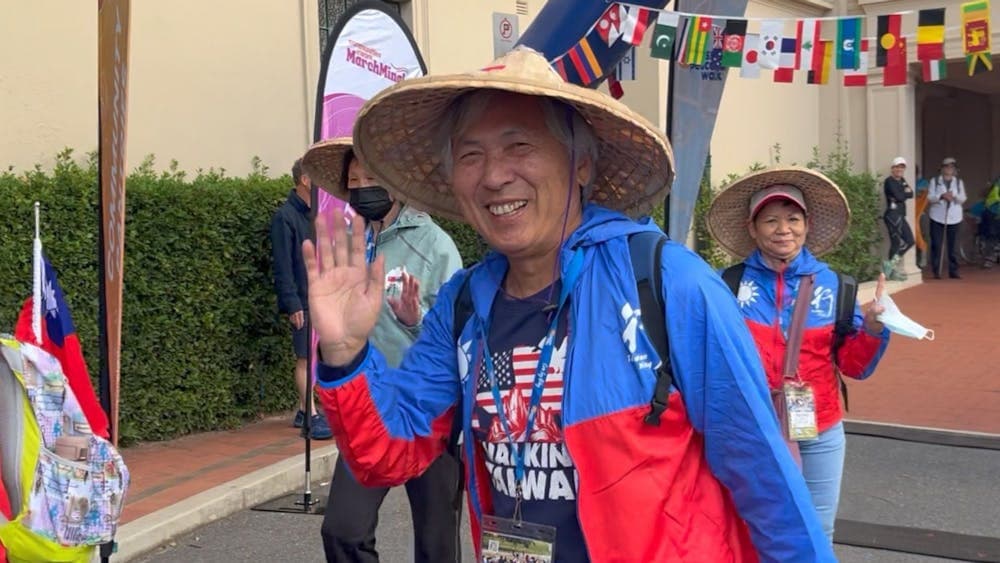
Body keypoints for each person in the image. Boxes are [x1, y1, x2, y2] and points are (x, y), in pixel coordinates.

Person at [305, 47, 834, 562]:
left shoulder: (669, 282)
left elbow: (764, 475)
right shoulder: (462, 304)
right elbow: (390, 453)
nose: (493, 175)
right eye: (470, 155)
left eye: (519, 146)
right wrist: (346, 354)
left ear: (580, 165)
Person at [705, 167, 891, 542]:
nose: (783, 229)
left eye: (793, 219)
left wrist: (873, 328)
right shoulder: (726, 285)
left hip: (819, 428)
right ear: (752, 228)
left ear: (807, 225)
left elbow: (854, 366)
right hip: (750, 428)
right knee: (750, 528)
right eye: (770, 220)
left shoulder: (837, 287)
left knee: (817, 530)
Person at [301, 138, 464, 562]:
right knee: (343, 530)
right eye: (354, 181)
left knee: (437, 544)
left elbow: (459, 336)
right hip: (368, 407)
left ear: (395, 182)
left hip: (428, 410)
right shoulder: (350, 246)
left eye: (371, 177)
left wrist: (415, 318)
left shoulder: (434, 245)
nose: (362, 187)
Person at [268, 158, 331, 440]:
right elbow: (282, 265)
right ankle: (310, 416)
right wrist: (292, 303)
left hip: (320, 296)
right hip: (302, 300)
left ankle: (304, 409)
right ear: (305, 180)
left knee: (317, 356)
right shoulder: (285, 217)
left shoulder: (315, 215)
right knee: (305, 357)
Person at [927, 157, 967, 279]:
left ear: (954, 169)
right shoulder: (934, 181)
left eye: (951, 167)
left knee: (953, 245)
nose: (949, 169)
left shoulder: (958, 182)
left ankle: (953, 270)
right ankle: (937, 270)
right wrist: (941, 196)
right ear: (942, 168)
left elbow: (963, 198)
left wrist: (953, 195)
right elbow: (930, 198)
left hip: (954, 217)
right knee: (937, 244)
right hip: (937, 216)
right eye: (947, 167)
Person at [882, 156, 915, 281]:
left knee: (910, 241)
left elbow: (911, 193)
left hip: (900, 215)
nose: (899, 170)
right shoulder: (889, 181)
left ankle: (890, 266)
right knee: (896, 242)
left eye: (902, 167)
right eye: (897, 167)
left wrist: (902, 194)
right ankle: (890, 271)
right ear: (892, 168)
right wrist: (903, 194)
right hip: (892, 215)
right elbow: (900, 196)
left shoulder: (902, 180)